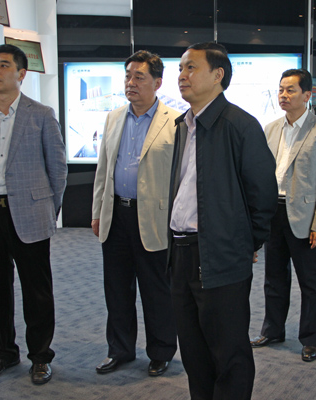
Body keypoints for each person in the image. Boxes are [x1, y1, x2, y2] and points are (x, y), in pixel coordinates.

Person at [168, 42, 277, 399]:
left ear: (218, 75)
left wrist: (243, 243)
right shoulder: (183, 125)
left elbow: (263, 195)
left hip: (221, 254)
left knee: (228, 352)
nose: (182, 75)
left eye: (191, 67)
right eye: (180, 68)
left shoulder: (240, 125)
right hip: (181, 252)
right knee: (193, 351)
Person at [0, 44, 67, 385]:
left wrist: (48, 210)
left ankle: (40, 356)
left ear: (21, 73)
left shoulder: (41, 114)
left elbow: (57, 169)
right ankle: (5, 352)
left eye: (4, 65)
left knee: (37, 290)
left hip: (29, 213)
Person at [91, 50, 178, 377]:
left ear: (157, 82)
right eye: (128, 76)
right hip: (116, 215)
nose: (131, 83)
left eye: (139, 77)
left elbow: (181, 177)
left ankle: (161, 351)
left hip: (153, 218)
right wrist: (98, 211)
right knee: (116, 288)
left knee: (157, 289)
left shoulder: (175, 121)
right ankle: (120, 350)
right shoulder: (114, 117)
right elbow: (104, 169)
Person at [250, 68, 316, 362]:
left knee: (310, 281)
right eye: (280, 90)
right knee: (273, 277)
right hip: (273, 212)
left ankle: (312, 338)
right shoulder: (271, 128)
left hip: (305, 216)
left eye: (290, 90)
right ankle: (273, 330)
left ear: (307, 94)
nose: (284, 95)